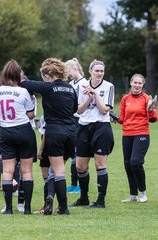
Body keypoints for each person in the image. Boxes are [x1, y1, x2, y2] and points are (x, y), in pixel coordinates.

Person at [21, 58, 77, 215]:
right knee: (57, 170)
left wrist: (20, 77)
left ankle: (63, 207)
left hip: (55, 132)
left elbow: (25, 84)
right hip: (72, 133)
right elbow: (74, 109)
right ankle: (51, 200)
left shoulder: (47, 87)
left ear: (46, 74)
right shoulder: (70, 89)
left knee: (57, 171)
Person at [0, 59, 37, 215]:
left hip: (5, 132)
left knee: (8, 171)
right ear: (19, 75)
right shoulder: (23, 91)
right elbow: (31, 114)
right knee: (26, 171)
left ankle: (9, 208)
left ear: (4, 75)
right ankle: (27, 208)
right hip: (24, 131)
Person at [70, 59, 114, 209]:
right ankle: (84, 198)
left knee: (99, 164)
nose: (99, 73)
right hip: (83, 127)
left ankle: (101, 201)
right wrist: (89, 97)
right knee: (80, 166)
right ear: (90, 71)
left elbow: (103, 109)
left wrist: (95, 93)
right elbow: (78, 110)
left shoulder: (109, 86)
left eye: (102, 71)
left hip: (101, 127)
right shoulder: (80, 87)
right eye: (97, 71)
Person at [118, 74, 158, 203]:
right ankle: (133, 195)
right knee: (127, 164)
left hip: (141, 133)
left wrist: (151, 109)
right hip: (127, 134)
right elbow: (122, 119)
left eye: (139, 83)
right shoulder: (125, 99)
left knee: (135, 162)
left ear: (143, 85)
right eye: (135, 83)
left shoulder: (146, 98)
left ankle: (143, 193)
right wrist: (111, 116)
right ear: (131, 83)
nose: (137, 85)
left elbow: (153, 119)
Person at [65, 58, 88, 194]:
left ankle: (79, 185)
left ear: (75, 69)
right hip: (71, 120)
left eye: (68, 71)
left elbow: (82, 104)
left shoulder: (84, 84)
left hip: (80, 121)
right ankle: (74, 184)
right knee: (72, 153)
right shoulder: (72, 83)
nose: (67, 74)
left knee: (78, 154)